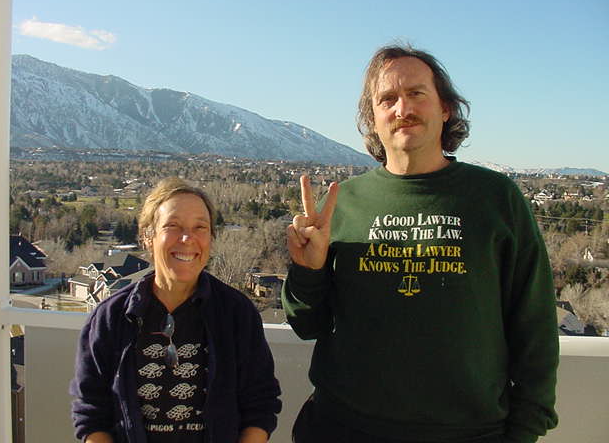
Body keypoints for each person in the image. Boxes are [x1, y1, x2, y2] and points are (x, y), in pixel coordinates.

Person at [282, 44, 558, 443]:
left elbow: (535, 326)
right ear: (372, 118)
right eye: (387, 99)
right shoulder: (342, 203)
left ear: (445, 108)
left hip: (468, 433)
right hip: (340, 427)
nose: (402, 108)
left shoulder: (495, 198)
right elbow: (307, 325)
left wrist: (524, 431)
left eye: (416, 93)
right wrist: (308, 271)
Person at [71, 177, 281, 443]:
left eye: (200, 227)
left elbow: (260, 405)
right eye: (173, 226)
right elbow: (90, 412)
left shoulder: (236, 314)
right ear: (148, 236)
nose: (187, 238)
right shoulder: (111, 317)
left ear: (211, 238)